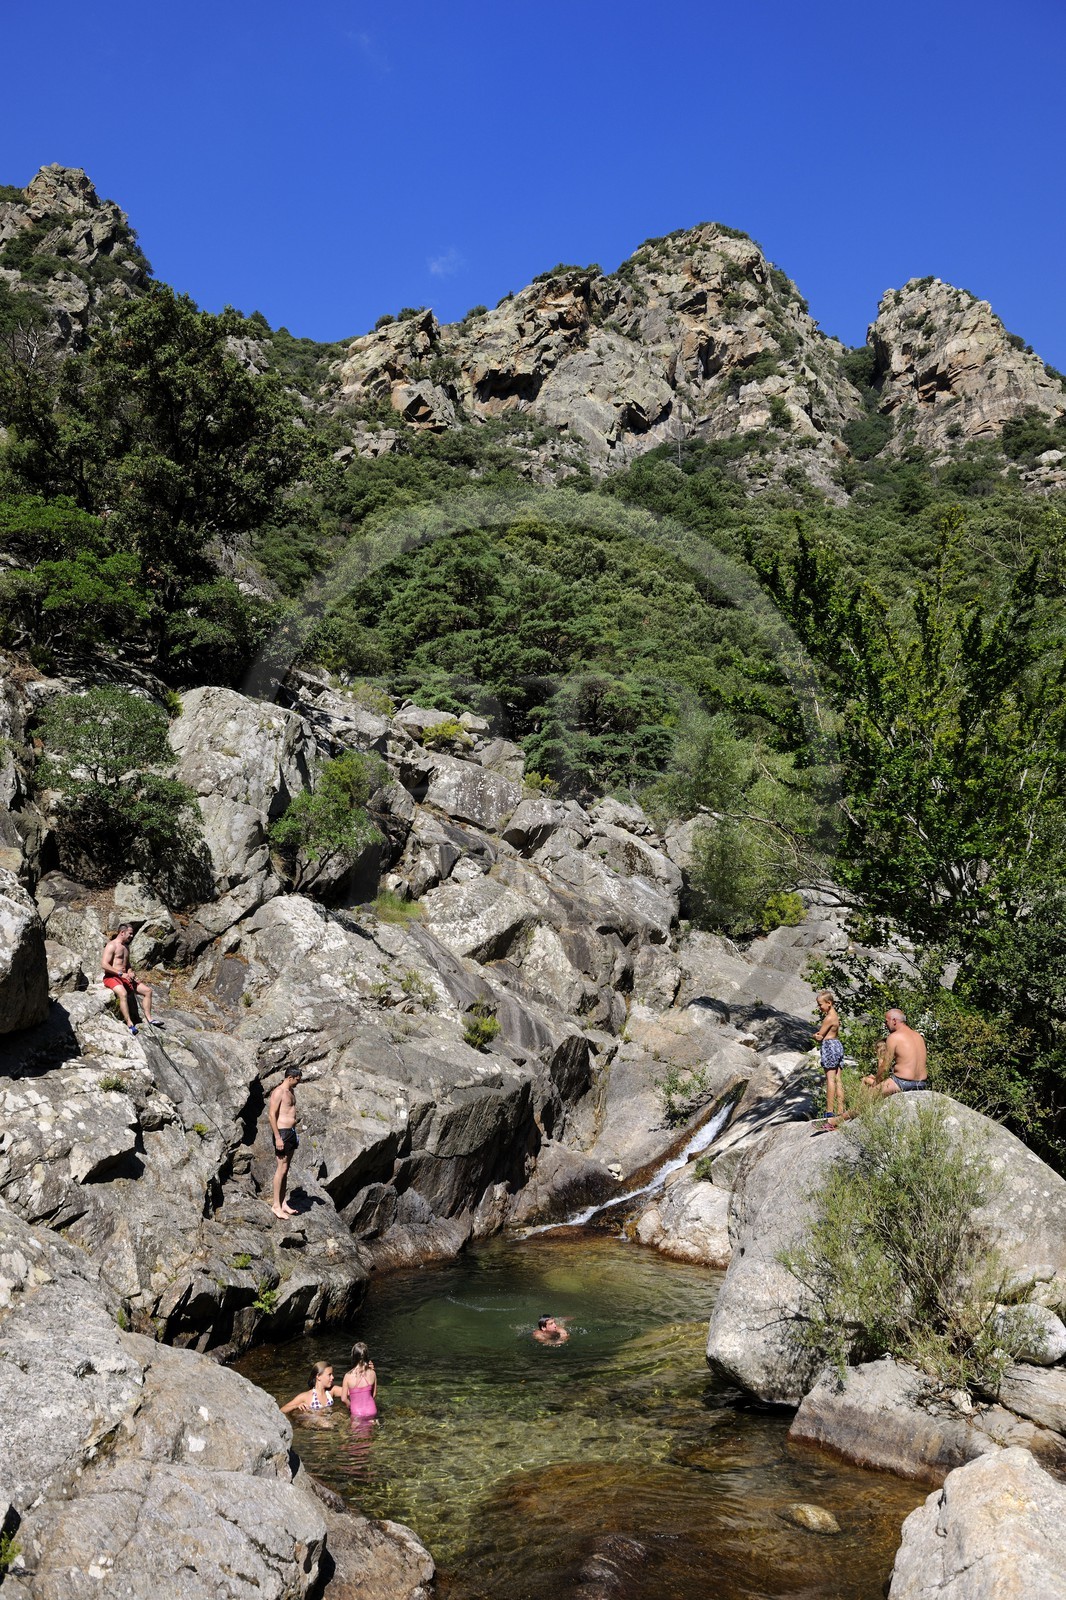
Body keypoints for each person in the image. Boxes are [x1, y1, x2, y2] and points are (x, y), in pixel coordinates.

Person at [102, 924, 161, 1035]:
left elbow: (127, 965)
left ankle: (149, 1019)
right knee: (123, 993)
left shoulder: (126, 947)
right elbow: (104, 965)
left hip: (125, 977)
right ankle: (130, 1024)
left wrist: (130, 972)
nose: (132, 936)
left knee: (148, 991)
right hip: (112, 977)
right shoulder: (111, 945)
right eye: (130, 933)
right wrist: (120, 973)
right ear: (122, 932)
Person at [864, 1008, 929, 1095]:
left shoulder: (894, 1037)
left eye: (886, 1021)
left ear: (894, 1020)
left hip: (902, 1082)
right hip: (922, 1083)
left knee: (867, 1096)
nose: (885, 1025)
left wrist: (876, 1084)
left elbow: (885, 1066)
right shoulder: (918, 1036)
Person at [268, 1067, 302, 1219]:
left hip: (292, 1133)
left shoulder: (291, 1092)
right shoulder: (279, 1092)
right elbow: (271, 1115)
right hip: (282, 1133)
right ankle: (276, 1205)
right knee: (281, 1168)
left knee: (286, 1168)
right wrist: (277, 1137)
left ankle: (282, 1203)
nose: (298, 1082)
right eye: (297, 1080)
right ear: (290, 1077)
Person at [813, 990, 844, 1119]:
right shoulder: (836, 1016)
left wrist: (814, 1036)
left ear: (829, 1003)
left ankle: (829, 1111)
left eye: (820, 1005)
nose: (819, 1007)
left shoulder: (829, 1018)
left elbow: (820, 1036)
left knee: (830, 1079)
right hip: (837, 1044)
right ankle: (841, 1109)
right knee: (838, 1079)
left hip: (829, 1046)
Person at [341, 1342, 378, 1421]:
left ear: (353, 1356)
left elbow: (343, 1398)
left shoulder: (347, 1376)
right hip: (371, 1410)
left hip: (357, 1412)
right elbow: (374, 1394)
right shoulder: (373, 1373)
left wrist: (351, 1406)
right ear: (367, 1356)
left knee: (357, 1433)